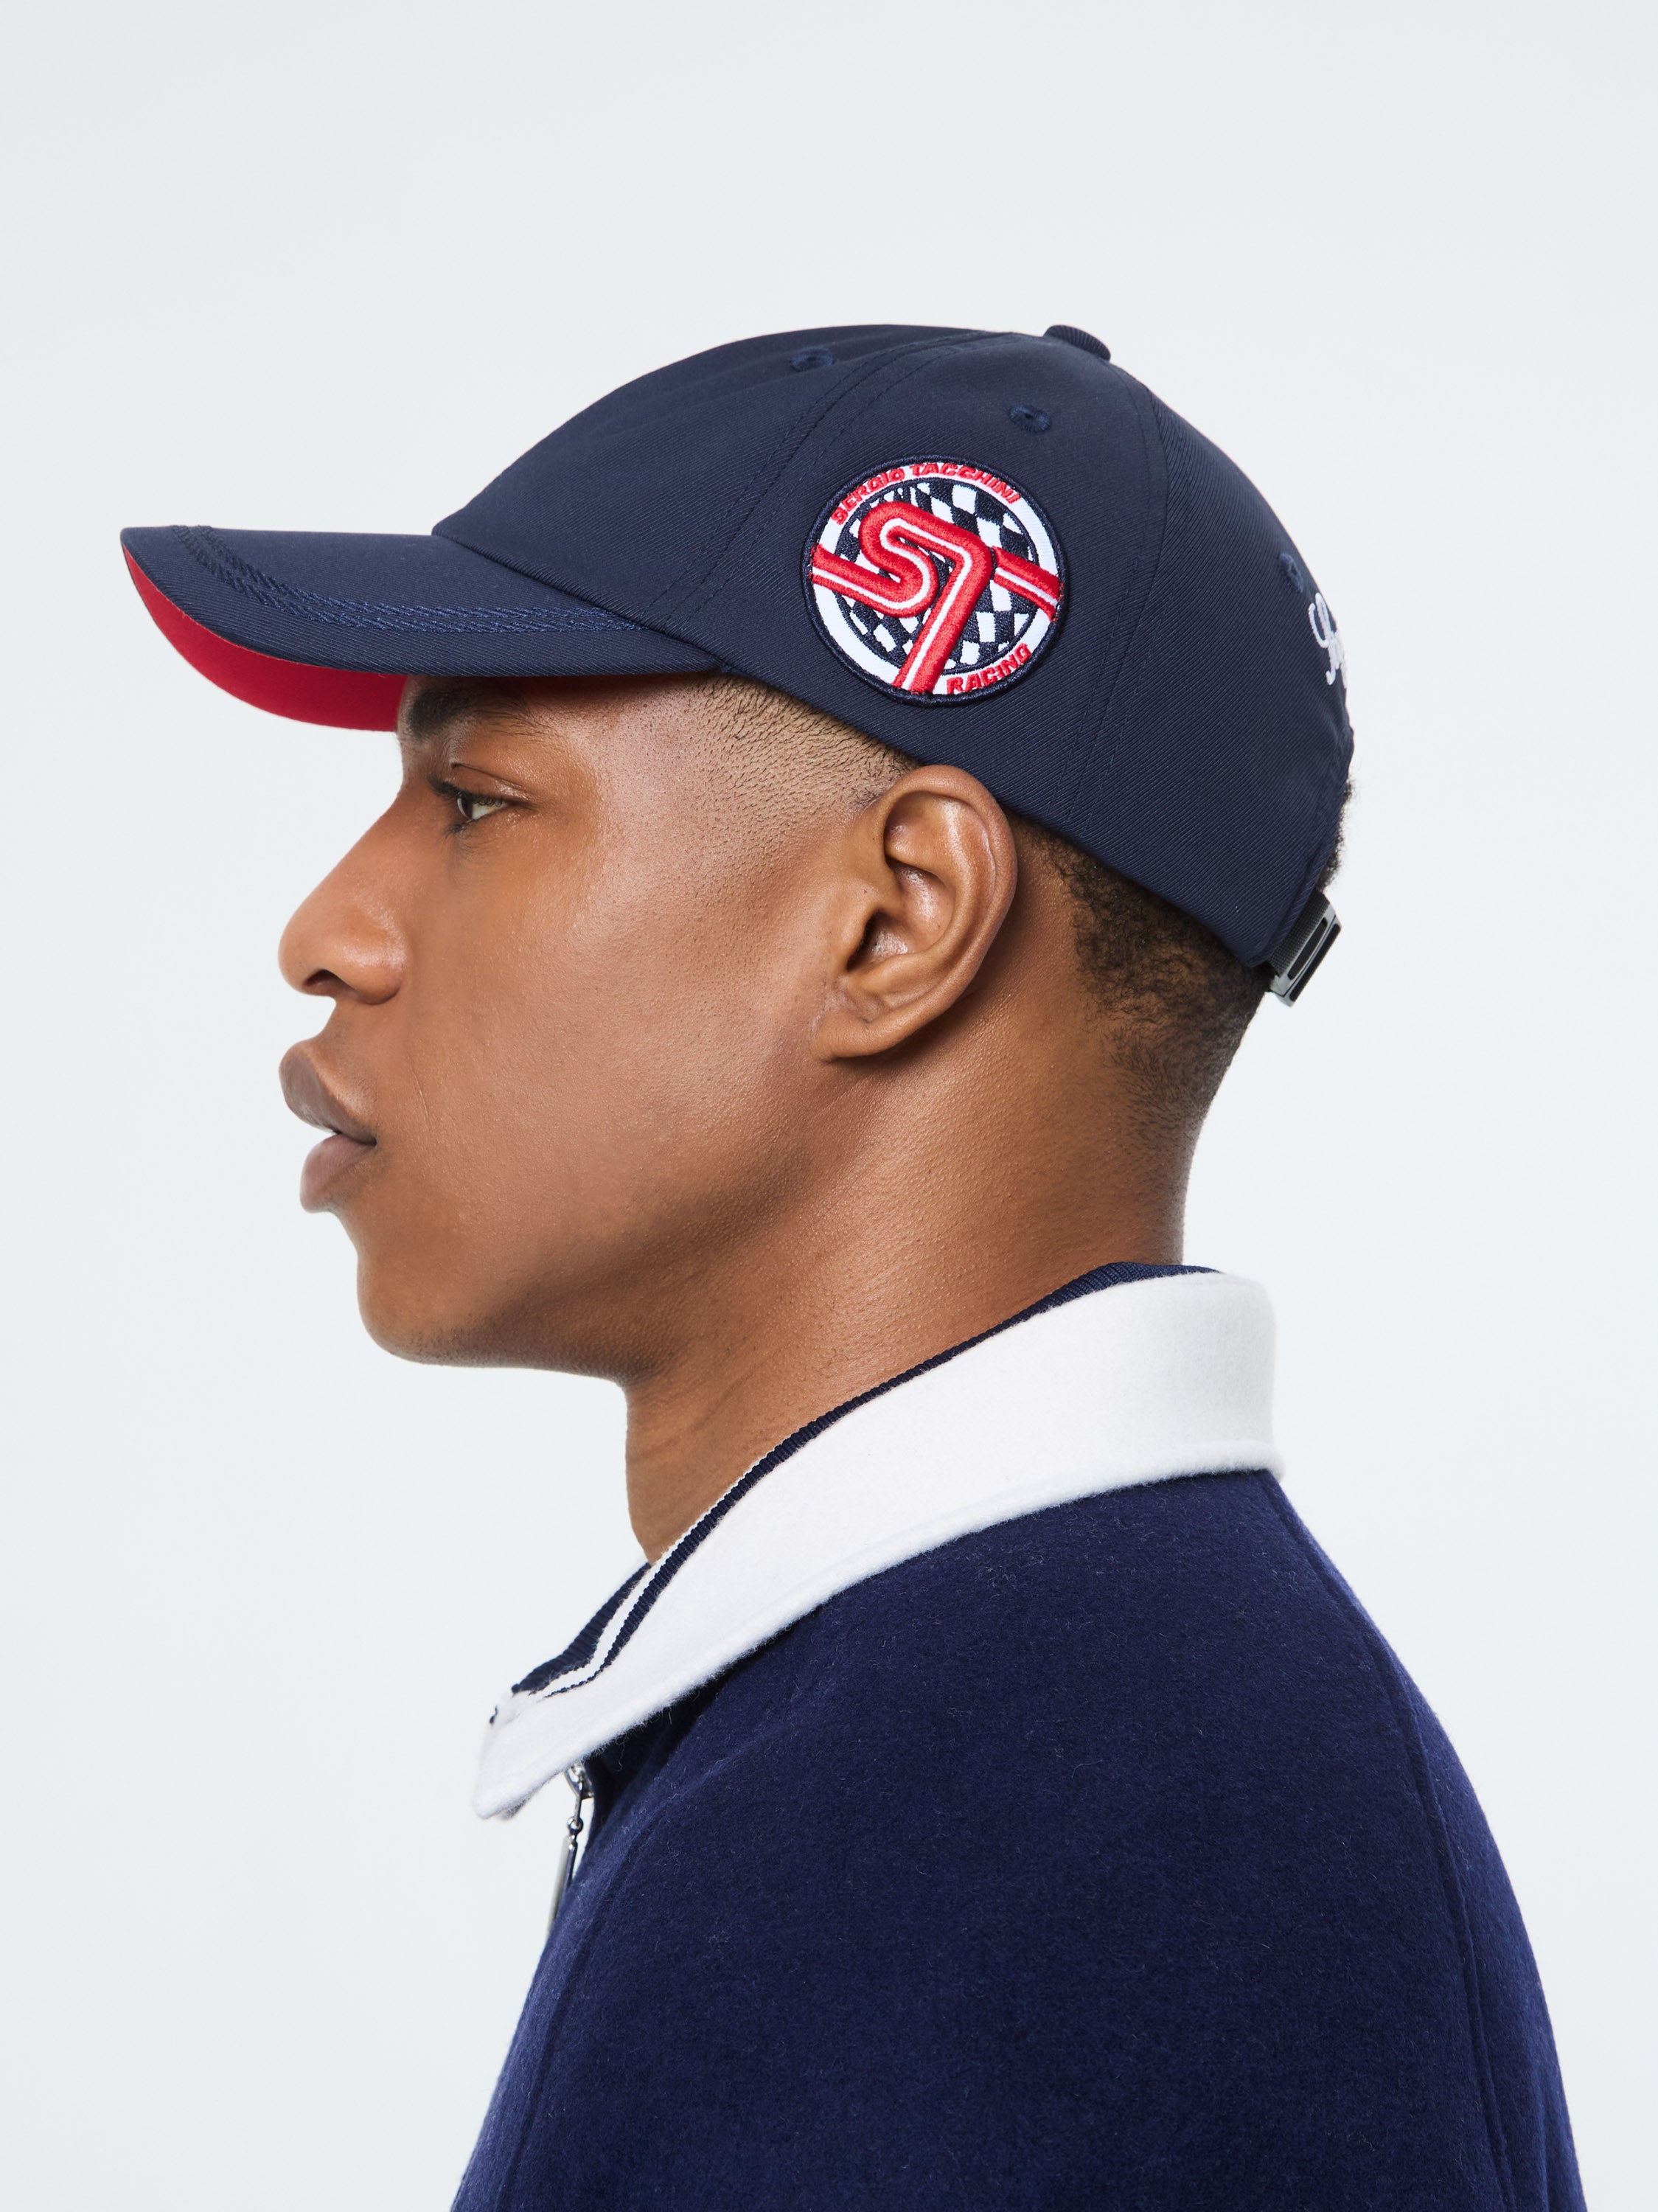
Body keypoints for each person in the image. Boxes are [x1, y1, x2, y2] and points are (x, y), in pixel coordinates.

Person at [121, 323, 1584, 2209]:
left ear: (897, 921)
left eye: (475, 803)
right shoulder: (1089, 1730)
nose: (329, 930)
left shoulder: (985, 1824)